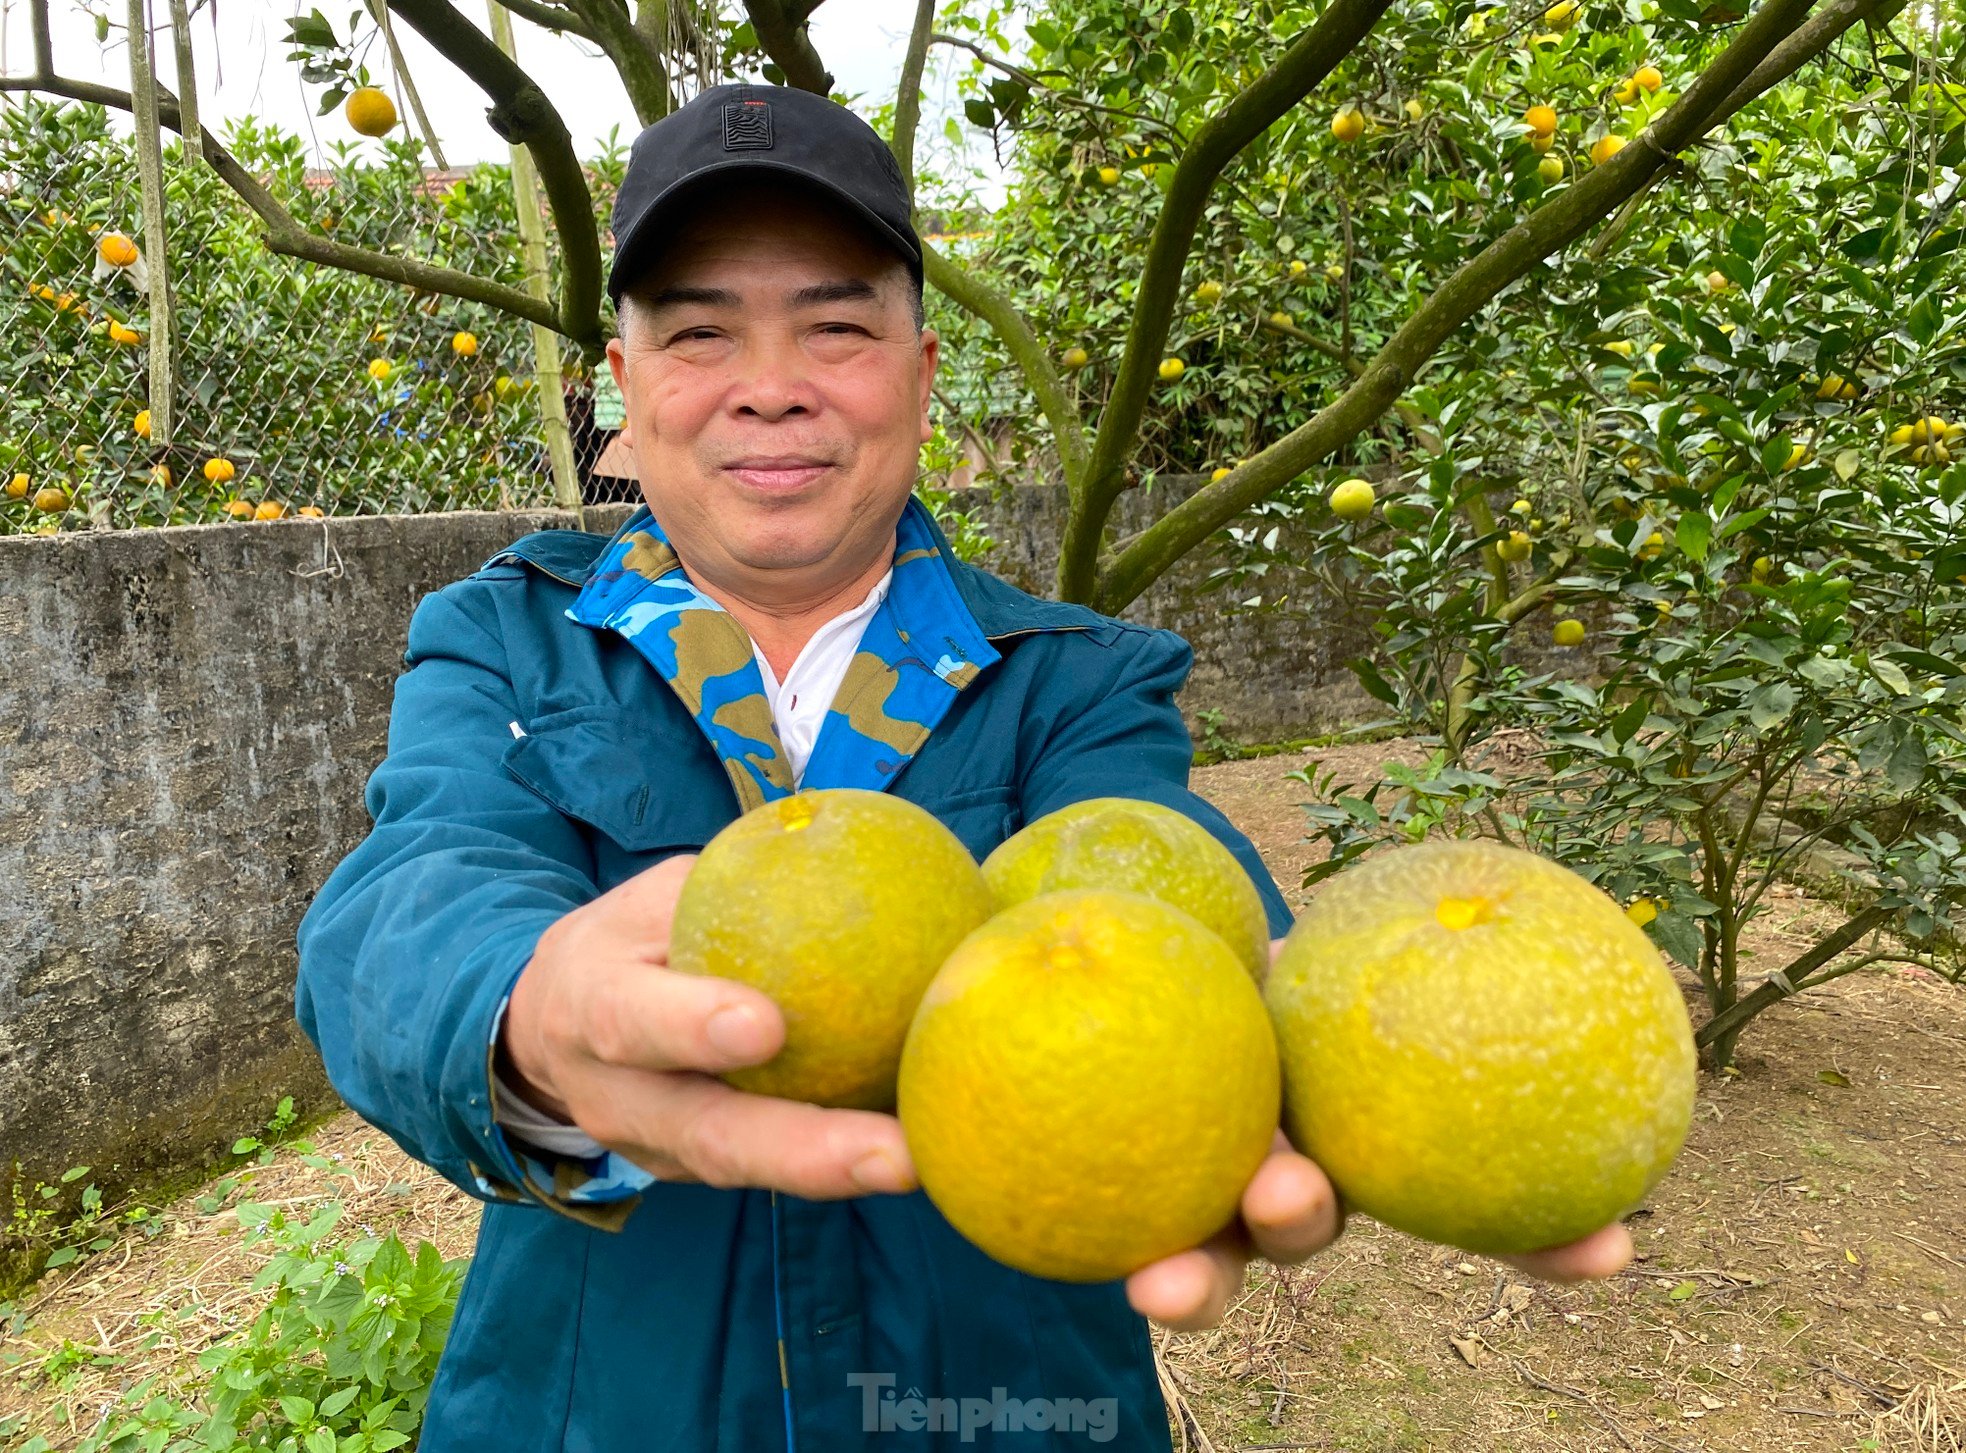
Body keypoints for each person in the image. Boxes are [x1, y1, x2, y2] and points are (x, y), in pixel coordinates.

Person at [295, 83, 1630, 1451]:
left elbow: (1144, 848)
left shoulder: (1074, 674)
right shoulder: (506, 638)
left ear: (921, 378)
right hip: (596, 1408)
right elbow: (416, 887)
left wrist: (1270, 1000)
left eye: (836, 329)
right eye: (700, 335)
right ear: (622, 394)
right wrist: (520, 1012)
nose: (771, 384)